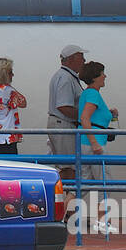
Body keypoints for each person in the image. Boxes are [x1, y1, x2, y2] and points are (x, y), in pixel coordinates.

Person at [76, 61, 119, 233]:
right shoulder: (93, 94)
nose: (105, 76)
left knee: (83, 182)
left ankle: (61, 214)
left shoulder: (88, 94)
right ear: (95, 77)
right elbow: (86, 118)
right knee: (105, 182)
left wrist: (111, 114)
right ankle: (102, 221)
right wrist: (94, 143)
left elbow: (93, 117)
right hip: (94, 144)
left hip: (85, 143)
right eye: (102, 73)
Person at [46, 44, 86, 176]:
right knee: (69, 168)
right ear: (71, 59)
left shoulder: (63, 76)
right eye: (81, 57)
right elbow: (64, 106)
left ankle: (64, 195)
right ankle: (63, 195)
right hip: (63, 125)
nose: (84, 61)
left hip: (61, 124)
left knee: (67, 167)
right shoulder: (66, 78)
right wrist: (84, 117)